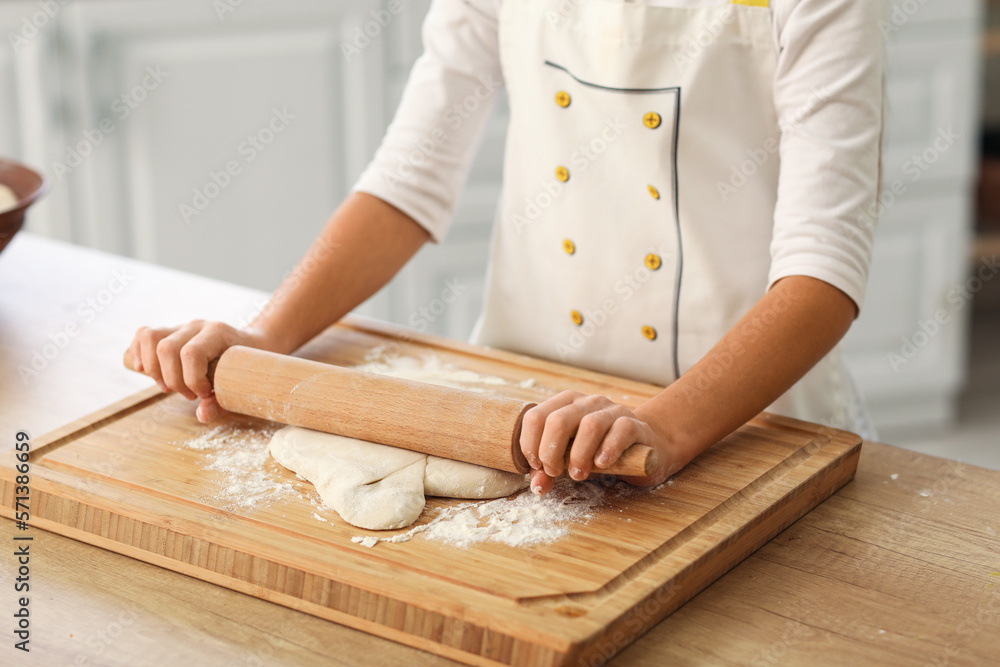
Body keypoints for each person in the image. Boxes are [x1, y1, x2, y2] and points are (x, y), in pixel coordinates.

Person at [129, 0, 884, 495]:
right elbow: (409, 179)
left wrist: (668, 426)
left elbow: (824, 264)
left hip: (746, 423)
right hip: (520, 411)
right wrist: (268, 336)